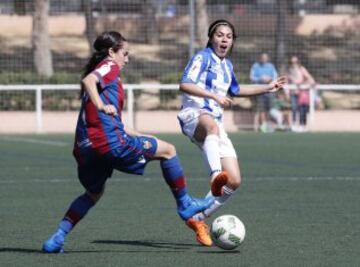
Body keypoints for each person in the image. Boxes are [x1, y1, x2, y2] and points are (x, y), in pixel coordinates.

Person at [42, 31, 213, 253]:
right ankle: (185, 204)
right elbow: (88, 81)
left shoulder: (108, 81)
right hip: (109, 143)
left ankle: (57, 238)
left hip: (85, 149)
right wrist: (102, 106)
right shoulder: (109, 66)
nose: (127, 58)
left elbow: (115, 122)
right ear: (112, 52)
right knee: (169, 150)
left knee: (93, 194)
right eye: (125, 53)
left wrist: (142, 135)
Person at [178, 19, 286, 246]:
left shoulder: (227, 66)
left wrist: (268, 87)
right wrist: (213, 96)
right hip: (194, 114)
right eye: (219, 35)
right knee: (212, 127)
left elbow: (236, 91)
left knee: (235, 181)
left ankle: (197, 219)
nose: (224, 39)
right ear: (211, 38)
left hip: (215, 125)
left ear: (232, 41)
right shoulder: (202, 57)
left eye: (228, 36)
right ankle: (215, 175)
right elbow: (185, 84)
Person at [250, 53, 278, 132]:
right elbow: (252, 77)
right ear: (260, 58)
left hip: (270, 91)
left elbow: (275, 76)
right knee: (260, 109)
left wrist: (270, 79)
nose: (264, 59)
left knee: (271, 109)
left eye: (265, 57)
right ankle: (263, 125)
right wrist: (260, 78)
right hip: (259, 90)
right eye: (262, 57)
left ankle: (271, 126)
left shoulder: (271, 66)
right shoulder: (255, 66)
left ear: (267, 58)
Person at [287, 55, 316, 132]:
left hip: (301, 92)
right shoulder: (289, 70)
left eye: (295, 62)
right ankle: (293, 124)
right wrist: (286, 92)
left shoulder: (302, 69)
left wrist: (306, 83)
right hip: (293, 92)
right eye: (292, 62)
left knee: (301, 109)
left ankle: (302, 125)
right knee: (293, 108)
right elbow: (287, 81)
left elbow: (309, 78)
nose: (294, 64)